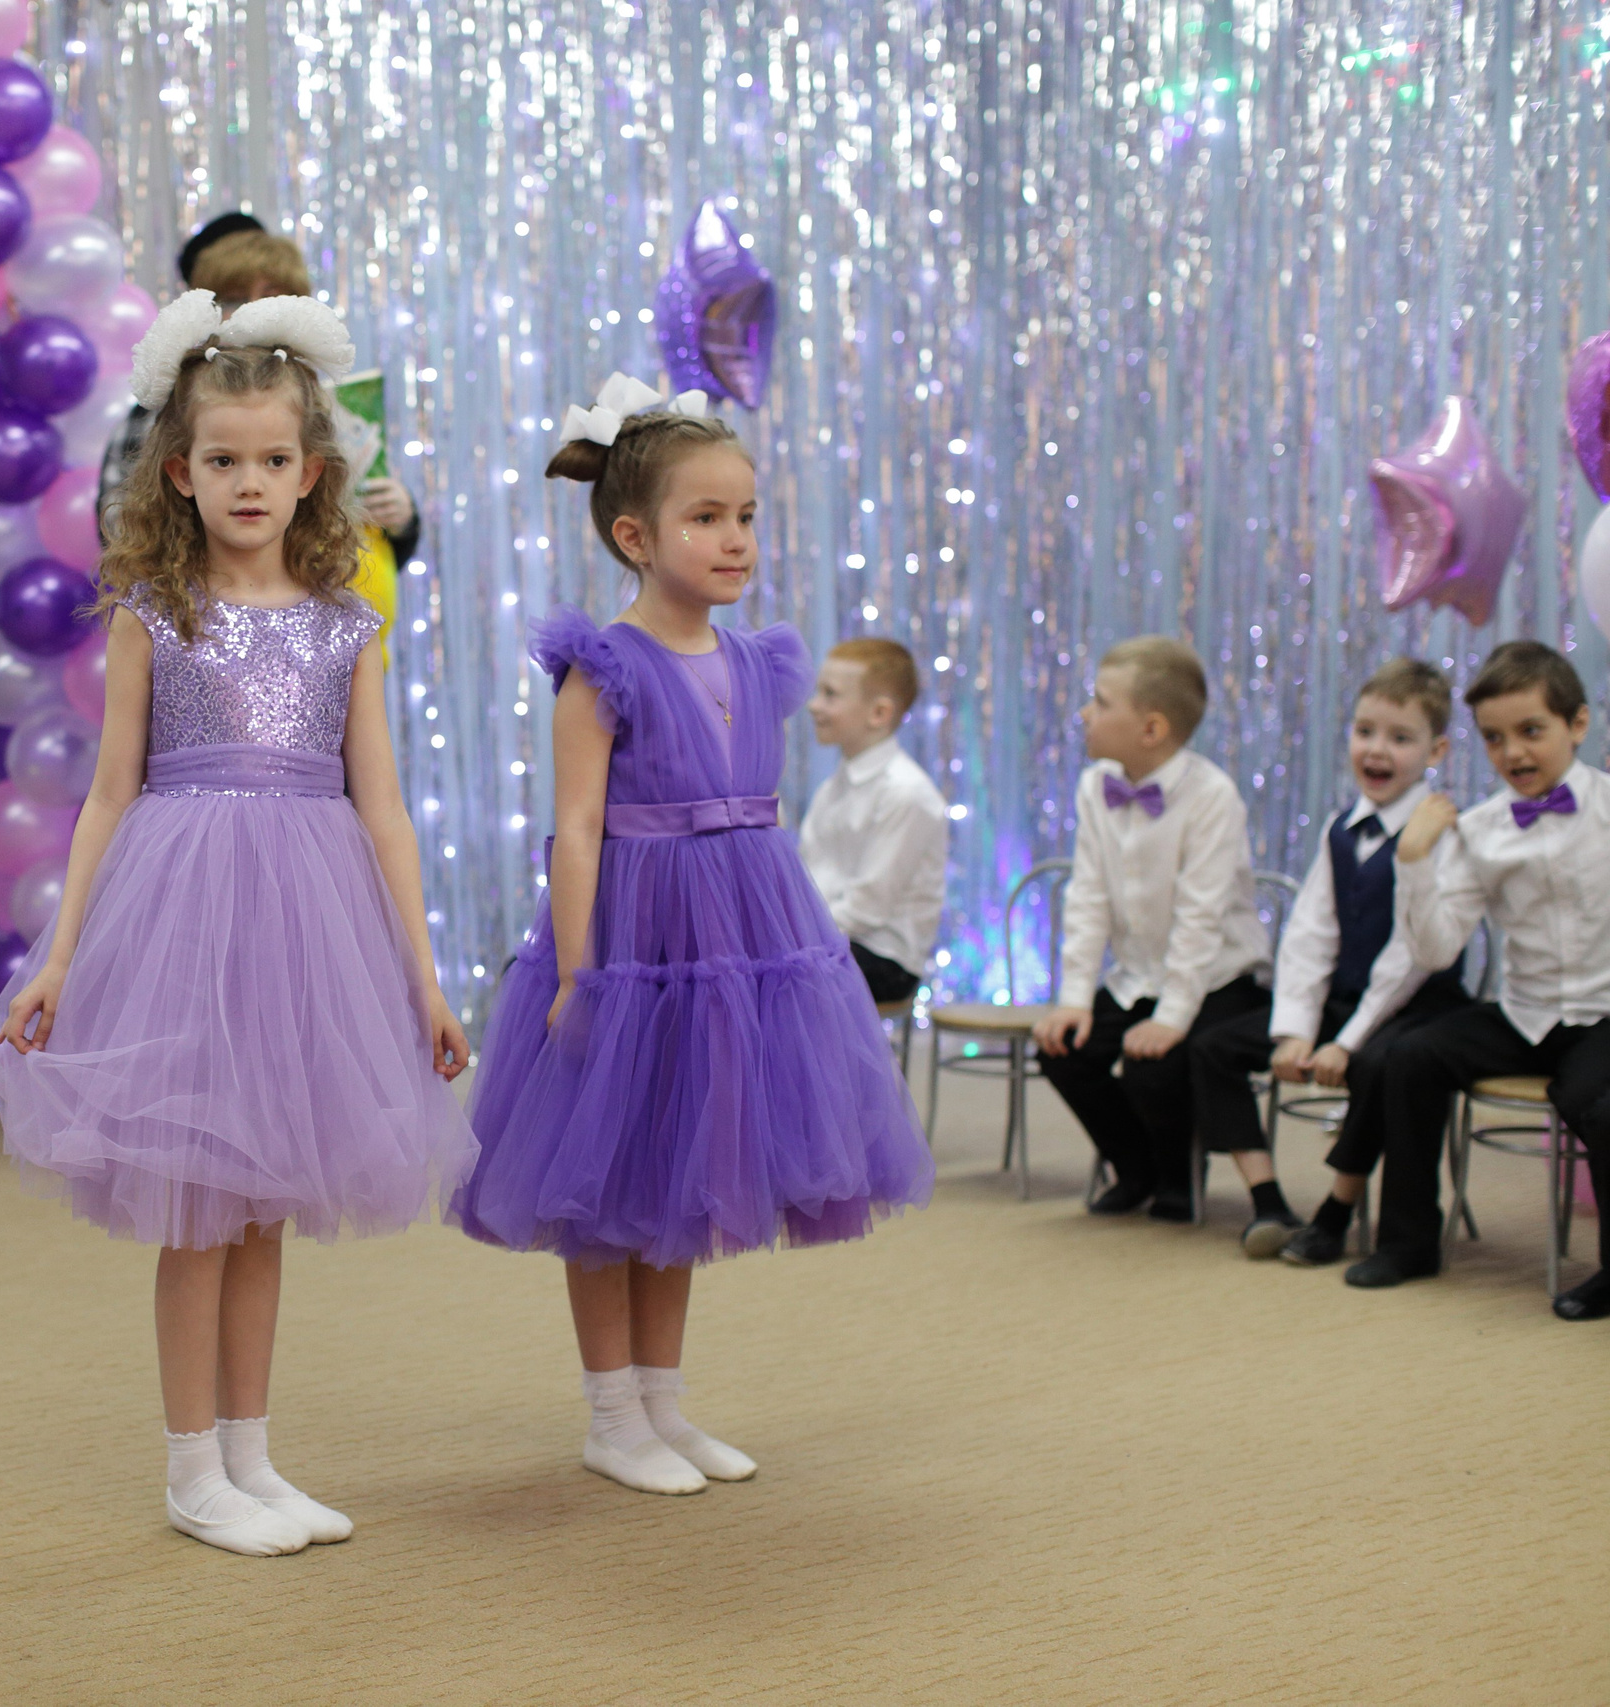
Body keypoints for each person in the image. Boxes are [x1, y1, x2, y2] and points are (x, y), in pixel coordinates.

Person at [0, 291, 476, 1555]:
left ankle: (252, 1457)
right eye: (222, 460)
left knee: (264, 1209)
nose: (248, 482)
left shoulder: (346, 622)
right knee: (198, 1206)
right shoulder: (155, 614)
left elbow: (383, 809)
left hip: (309, 923)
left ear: (311, 474)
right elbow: (109, 795)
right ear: (179, 472)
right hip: (185, 914)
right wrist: (60, 955)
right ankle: (190, 1471)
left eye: (270, 460)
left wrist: (420, 976)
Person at [451, 373, 933, 1497]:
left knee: (683, 1180)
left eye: (746, 516)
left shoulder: (758, 662)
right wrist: (579, 972)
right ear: (635, 536)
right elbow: (577, 830)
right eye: (705, 517)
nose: (734, 539)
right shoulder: (603, 668)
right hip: (633, 945)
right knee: (606, 1180)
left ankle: (663, 1403)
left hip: (741, 942)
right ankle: (611, 1415)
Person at [1188, 660, 1470, 1261]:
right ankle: (1268, 1202)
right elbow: (1310, 934)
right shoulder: (1341, 828)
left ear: (1437, 750)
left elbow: (1410, 959)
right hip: (1348, 998)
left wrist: (1346, 1041)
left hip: (1417, 1004)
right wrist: (1295, 1030)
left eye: (1400, 737)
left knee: (1378, 1063)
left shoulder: (1440, 832)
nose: (1377, 749)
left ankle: (1335, 1213)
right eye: (1365, 731)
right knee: (1213, 1047)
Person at [1367, 641, 1610, 1319]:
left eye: (1531, 730)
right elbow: (1437, 948)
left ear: (1577, 724)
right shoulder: (1479, 831)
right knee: (1409, 1057)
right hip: (1525, 1012)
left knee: (1599, 1104)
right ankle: (1408, 1243)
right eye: (1495, 738)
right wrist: (1413, 860)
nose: (1513, 753)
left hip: (1602, 1013)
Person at [1032, 637, 1272, 1221]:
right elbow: (1088, 897)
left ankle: (1178, 1178)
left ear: (1152, 729)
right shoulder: (1095, 787)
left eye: (1100, 702)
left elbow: (1200, 919)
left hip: (1217, 978)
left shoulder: (1212, 797)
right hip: (1140, 975)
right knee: (1064, 1051)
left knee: (1154, 1066)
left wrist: (1171, 1018)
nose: (1085, 713)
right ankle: (1134, 1166)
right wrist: (1074, 999)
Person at [97, 213, 419, 586]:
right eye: (235, 298)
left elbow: (353, 535)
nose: (252, 311)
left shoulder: (331, 406)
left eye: (272, 298)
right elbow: (123, 536)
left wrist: (402, 520)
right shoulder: (160, 413)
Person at [798, 638, 950, 1005]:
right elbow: (807, 876)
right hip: (833, 938)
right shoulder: (833, 788)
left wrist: (794, 936)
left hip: (884, 958)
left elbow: (867, 908)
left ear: (879, 713)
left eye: (830, 695)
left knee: (774, 977)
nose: (814, 705)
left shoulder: (906, 793)